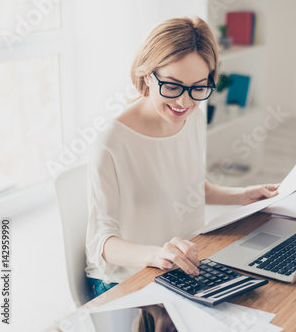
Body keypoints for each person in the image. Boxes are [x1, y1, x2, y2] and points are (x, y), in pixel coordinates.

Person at [85, 16, 278, 299]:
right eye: (173, 86)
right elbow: (101, 243)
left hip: (184, 268)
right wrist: (157, 254)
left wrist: (243, 195)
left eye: (198, 87)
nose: (184, 102)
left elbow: (191, 188)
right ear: (147, 74)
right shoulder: (112, 141)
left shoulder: (193, 118)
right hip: (126, 280)